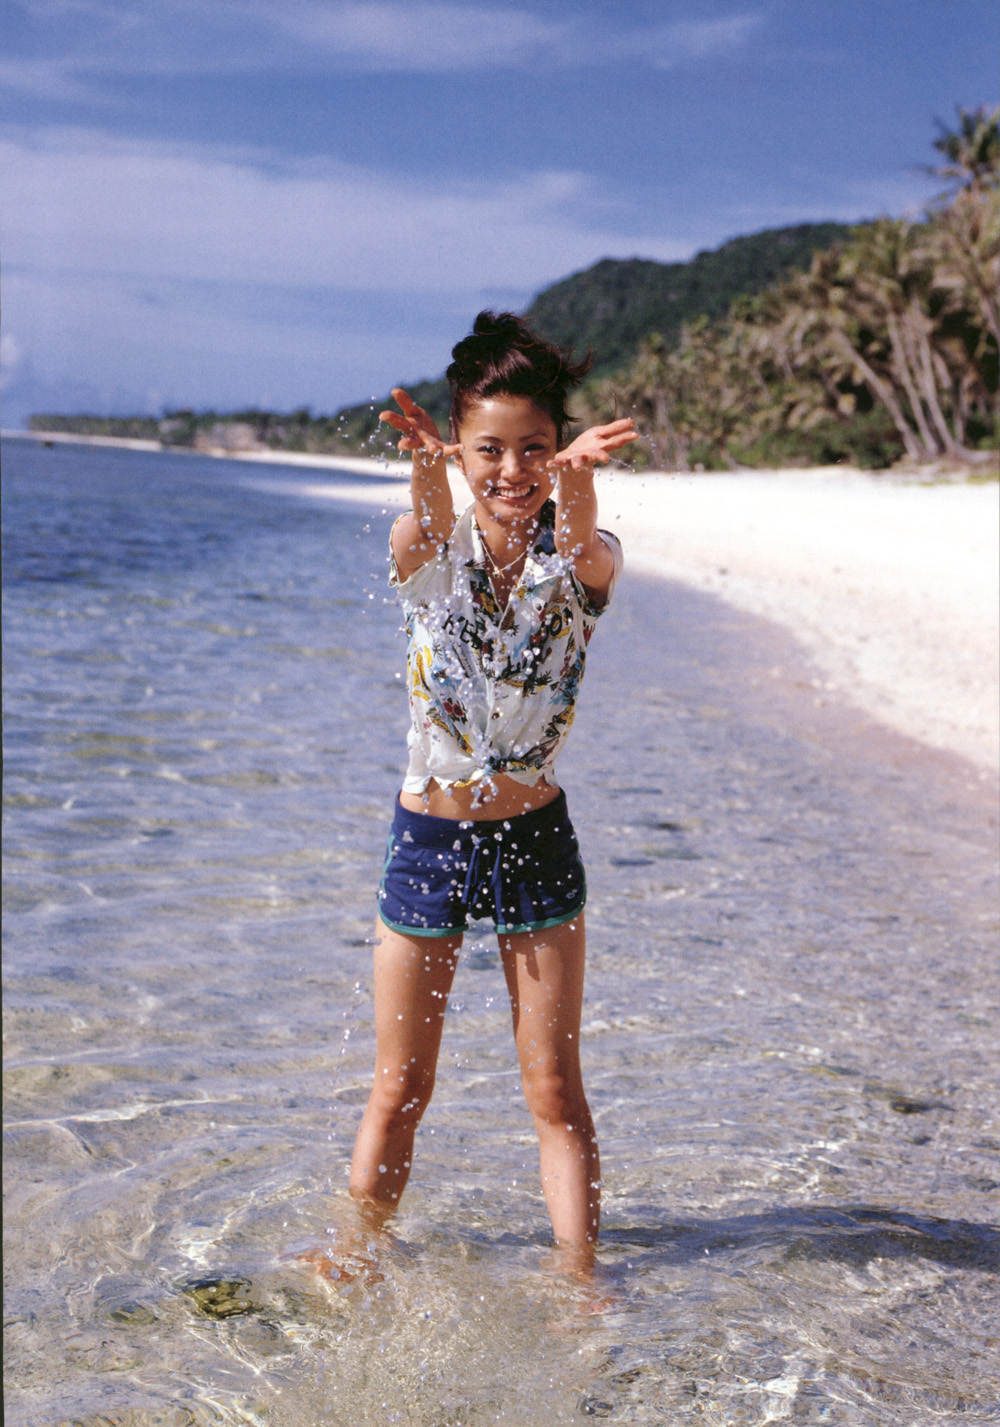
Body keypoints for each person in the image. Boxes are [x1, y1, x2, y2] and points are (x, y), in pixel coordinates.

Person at [349, 311, 636, 1277]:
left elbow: (581, 541)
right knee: (400, 1087)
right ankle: (356, 1258)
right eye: (490, 449)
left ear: (559, 450)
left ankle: (579, 1279)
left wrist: (578, 484)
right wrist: (426, 471)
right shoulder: (424, 551)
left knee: (554, 1090)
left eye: (535, 448)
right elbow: (430, 525)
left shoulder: (585, 561)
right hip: (427, 843)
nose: (514, 470)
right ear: (459, 450)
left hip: (534, 842)